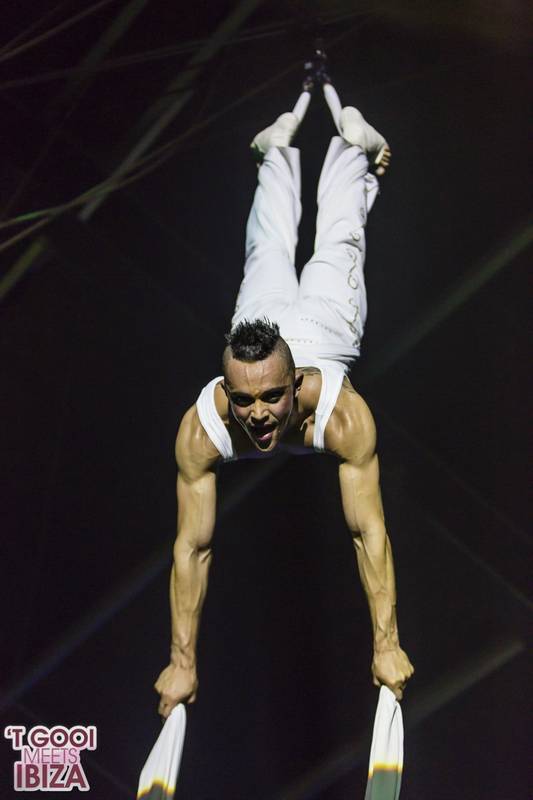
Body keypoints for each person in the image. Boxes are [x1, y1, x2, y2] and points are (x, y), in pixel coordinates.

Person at [155, 79, 414, 719]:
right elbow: (192, 547)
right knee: (265, 247)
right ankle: (276, 152)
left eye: (272, 398)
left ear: (296, 386)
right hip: (263, 319)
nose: (258, 416)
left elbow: (368, 533)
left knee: (338, 243)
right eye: (244, 402)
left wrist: (387, 645)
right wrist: (182, 661)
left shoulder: (341, 416)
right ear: (225, 389)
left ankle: (352, 147)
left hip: (325, 328)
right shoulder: (204, 429)